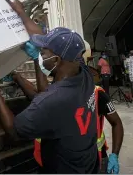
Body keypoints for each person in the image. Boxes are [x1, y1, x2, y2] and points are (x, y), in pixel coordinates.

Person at [0, 0, 99, 173]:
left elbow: (14, 131)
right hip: (87, 164)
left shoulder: (55, 100)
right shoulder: (83, 73)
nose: (41, 55)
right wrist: (21, 13)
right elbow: (43, 95)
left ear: (57, 60)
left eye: (43, 52)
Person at [14, 41, 123, 174]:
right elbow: (41, 95)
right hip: (57, 159)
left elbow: (116, 123)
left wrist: (114, 155)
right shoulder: (63, 88)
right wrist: (18, 77)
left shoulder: (96, 93)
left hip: (92, 159)